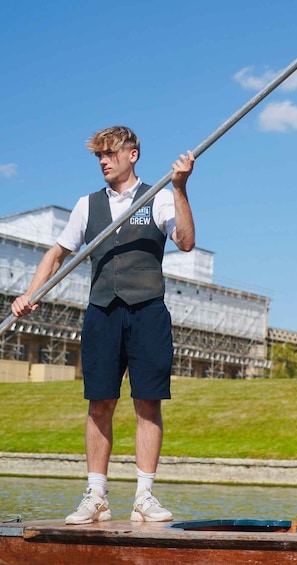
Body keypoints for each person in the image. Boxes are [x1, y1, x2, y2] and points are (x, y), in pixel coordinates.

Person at [11, 126, 196, 525]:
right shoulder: (87, 205)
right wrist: (30, 292)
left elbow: (185, 241)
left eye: (110, 153)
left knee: (148, 402)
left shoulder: (159, 196)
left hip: (147, 311)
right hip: (102, 311)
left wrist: (180, 188)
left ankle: (144, 497)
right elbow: (57, 254)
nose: (103, 161)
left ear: (132, 155)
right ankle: (96, 496)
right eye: (99, 155)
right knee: (100, 403)